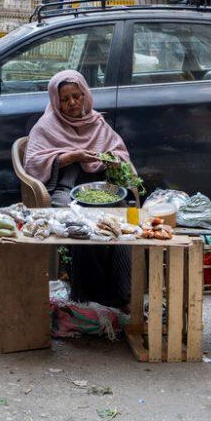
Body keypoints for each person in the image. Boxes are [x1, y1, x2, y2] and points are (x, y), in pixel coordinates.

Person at [24, 70, 134, 309]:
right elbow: (32, 162)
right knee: (79, 223)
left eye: (77, 96)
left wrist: (112, 159)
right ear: (56, 101)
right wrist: (70, 156)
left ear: (85, 95)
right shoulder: (46, 126)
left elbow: (120, 152)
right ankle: (88, 296)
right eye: (65, 99)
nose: (73, 103)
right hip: (65, 189)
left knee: (119, 219)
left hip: (99, 188)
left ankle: (121, 294)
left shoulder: (97, 122)